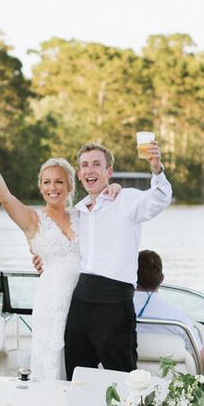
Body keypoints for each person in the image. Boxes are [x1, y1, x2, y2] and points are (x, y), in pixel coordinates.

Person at [0, 136, 119, 380]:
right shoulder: (33, 221)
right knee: (52, 357)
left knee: (81, 360)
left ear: (70, 187)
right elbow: (5, 198)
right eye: (47, 182)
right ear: (40, 187)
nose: (53, 187)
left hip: (84, 303)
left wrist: (114, 188)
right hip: (50, 303)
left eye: (59, 182)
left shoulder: (84, 216)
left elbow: (109, 231)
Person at [63, 140, 172, 379]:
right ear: (80, 174)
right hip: (80, 301)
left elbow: (160, 198)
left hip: (115, 302)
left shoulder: (126, 200)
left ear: (108, 171)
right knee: (77, 376)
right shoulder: (77, 212)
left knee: (123, 379)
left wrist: (156, 168)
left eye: (96, 165)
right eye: (84, 165)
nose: (90, 170)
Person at [134, 249, 204, 374]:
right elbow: (203, 362)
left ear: (132, 276)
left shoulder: (118, 312)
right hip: (171, 386)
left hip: (128, 379)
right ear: (161, 279)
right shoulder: (177, 317)